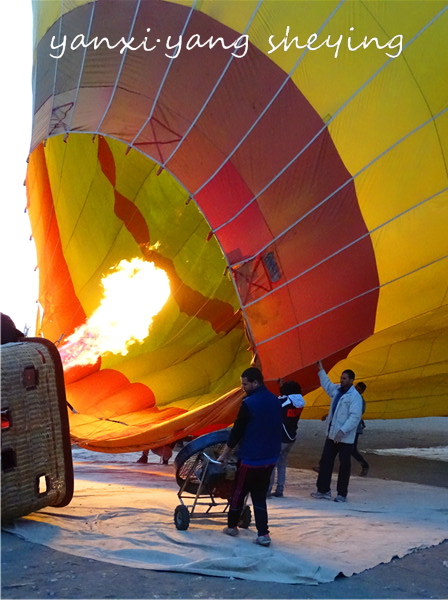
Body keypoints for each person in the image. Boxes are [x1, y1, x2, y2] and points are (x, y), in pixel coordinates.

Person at [217, 366, 282, 547]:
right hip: (270, 458)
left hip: (251, 458)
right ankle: (263, 534)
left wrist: (224, 454)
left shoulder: (249, 404)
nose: (243, 387)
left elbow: (237, 432)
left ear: (255, 382)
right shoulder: (275, 401)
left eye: (245, 384)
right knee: (259, 495)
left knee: (239, 491)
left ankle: (231, 526)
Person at [311, 361, 363, 503]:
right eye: (341, 377)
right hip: (332, 435)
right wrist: (321, 370)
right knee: (326, 461)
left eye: (344, 378)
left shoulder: (355, 397)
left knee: (344, 466)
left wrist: (342, 431)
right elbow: (327, 385)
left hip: (344, 438)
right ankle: (323, 490)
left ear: (351, 380)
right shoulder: (337, 390)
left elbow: (354, 417)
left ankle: (342, 494)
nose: (341, 380)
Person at [268, 380, 305, 498]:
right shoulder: (300, 402)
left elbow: (277, 401)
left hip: (280, 437)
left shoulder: (283, 401)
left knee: (271, 463)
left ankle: (267, 490)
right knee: (282, 464)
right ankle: (280, 489)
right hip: (291, 437)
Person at [352, 382, 369, 476]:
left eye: (359, 390)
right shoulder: (350, 397)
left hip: (354, 428)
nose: (357, 390)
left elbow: (356, 414)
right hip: (349, 428)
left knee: (351, 450)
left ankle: (365, 465)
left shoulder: (360, 401)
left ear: (362, 392)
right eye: (356, 388)